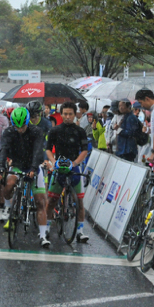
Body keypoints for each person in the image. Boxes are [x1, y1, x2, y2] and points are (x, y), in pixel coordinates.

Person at [0, 107, 51, 248]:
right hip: (17, 164)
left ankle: (43, 235)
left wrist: (34, 169)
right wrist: (2, 167)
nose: (20, 129)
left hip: (33, 164)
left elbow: (38, 151)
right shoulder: (9, 132)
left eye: (22, 126)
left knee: (40, 201)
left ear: (27, 123)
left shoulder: (36, 131)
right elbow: (3, 149)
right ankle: (10, 207)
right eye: (17, 126)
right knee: (9, 185)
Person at [45, 102, 90, 243]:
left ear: (75, 114)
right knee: (52, 200)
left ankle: (80, 231)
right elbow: (48, 149)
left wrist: (75, 163)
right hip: (59, 165)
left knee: (80, 202)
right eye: (65, 114)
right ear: (61, 114)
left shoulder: (80, 131)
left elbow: (84, 150)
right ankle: (46, 227)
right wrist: (53, 161)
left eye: (70, 114)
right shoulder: (55, 130)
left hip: (74, 165)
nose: (68, 117)